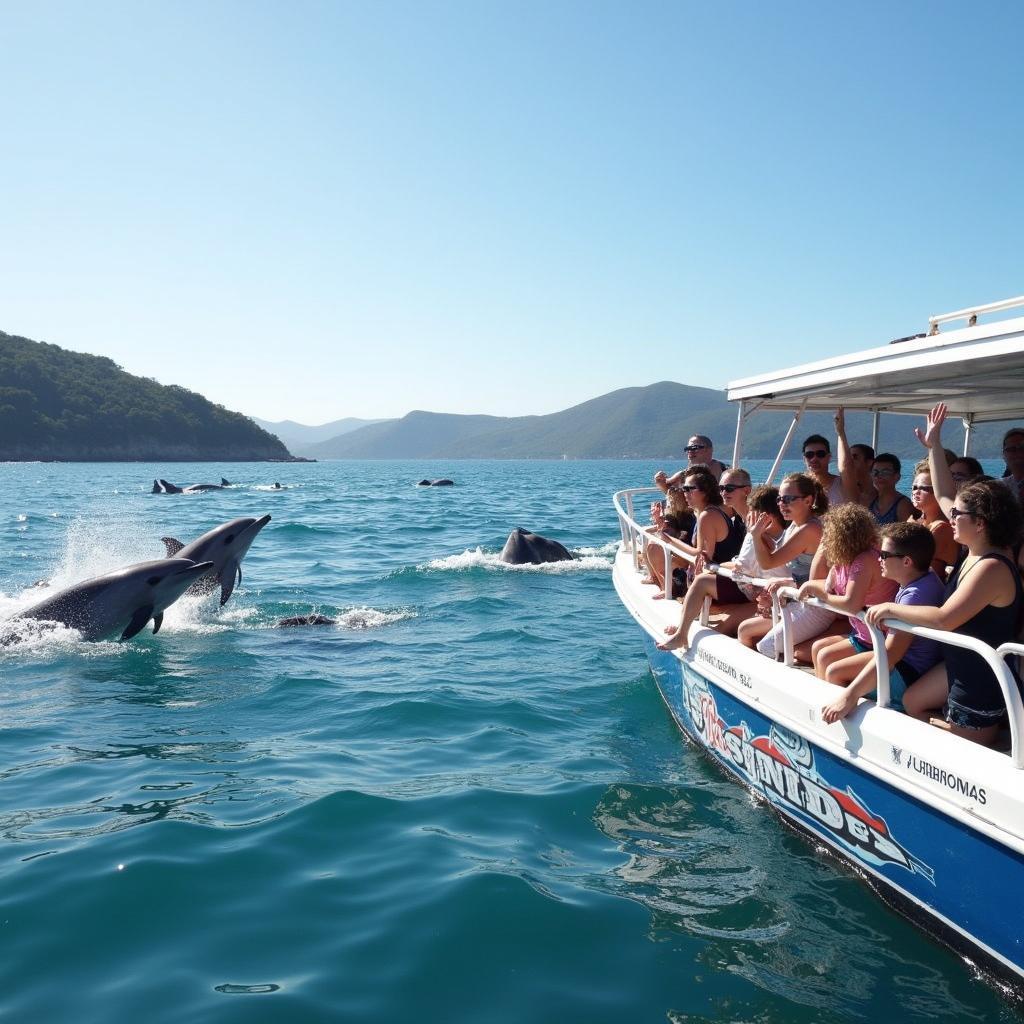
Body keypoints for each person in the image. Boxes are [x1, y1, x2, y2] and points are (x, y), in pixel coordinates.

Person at [865, 402, 1024, 746]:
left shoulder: (993, 567)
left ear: (980, 523)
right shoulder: (974, 551)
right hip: (957, 662)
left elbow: (943, 619)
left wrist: (890, 609)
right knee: (910, 702)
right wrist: (934, 445)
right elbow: (944, 492)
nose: (950, 515)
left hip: (980, 678)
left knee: (967, 741)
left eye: (958, 514)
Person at [821, 522, 945, 723]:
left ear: (906, 562)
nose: (879, 559)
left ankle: (847, 729)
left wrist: (849, 696)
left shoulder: (915, 595)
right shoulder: (925, 576)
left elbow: (890, 655)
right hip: (913, 664)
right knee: (829, 661)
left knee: (835, 673)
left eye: (885, 555)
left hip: (910, 672)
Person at [658, 483, 787, 652]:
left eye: (752, 512)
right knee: (702, 582)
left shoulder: (761, 535)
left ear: (762, 515)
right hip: (757, 592)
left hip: (769, 597)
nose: (749, 516)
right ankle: (683, 631)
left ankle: (683, 631)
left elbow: (741, 567)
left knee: (709, 592)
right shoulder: (782, 534)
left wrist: (716, 566)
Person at [737, 473, 833, 657]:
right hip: (799, 600)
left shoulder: (809, 529)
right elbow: (780, 557)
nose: (782, 504)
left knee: (766, 646)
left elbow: (768, 562)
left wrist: (755, 536)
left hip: (816, 607)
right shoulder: (795, 526)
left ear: (808, 500)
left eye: (789, 499)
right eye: (780, 499)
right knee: (746, 631)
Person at [801, 504, 899, 685]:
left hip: (878, 637)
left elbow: (851, 604)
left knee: (828, 663)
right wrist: (813, 585)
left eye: (829, 535)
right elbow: (829, 585)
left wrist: (820, 593)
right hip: (864, 633)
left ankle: (837, 707)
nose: (825, 539)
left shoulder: (866, 559)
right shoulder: (848, 558)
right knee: (818, 649)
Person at [909, 461, 959, 577]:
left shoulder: (942, 528)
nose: (916, 491)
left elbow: (921, 569)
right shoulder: (917, 522)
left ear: (938, 492)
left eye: (924, 488)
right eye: (914, 487)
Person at [641, 486, 695, 592]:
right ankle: (660, 581)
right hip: (679, 551)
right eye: (670, 501)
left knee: (653, 547)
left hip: (684, 555)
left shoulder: (689, 518)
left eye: (674, 500)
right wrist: (658, 520)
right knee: (651, 546)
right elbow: (661, 530)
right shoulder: (671, 517)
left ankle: (666, 586)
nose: (671, 503)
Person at [834, 407, 875, 505]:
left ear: (870, 462)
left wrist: (841, 433)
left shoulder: (879, 494)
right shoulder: (841, 488)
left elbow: (846, 467)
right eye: (848, 456)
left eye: (855, 457)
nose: (849, 460)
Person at [801, 434, 846, 508]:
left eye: (820, 454)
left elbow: (846, 466)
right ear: (804, 459)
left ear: (829, 457)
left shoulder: (842, 485)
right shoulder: (798, 487)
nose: (814, 459)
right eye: (809, 455)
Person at [867, 453, 913, 525]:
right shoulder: (871, 502)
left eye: (885, 472)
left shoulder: (903, 505)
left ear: (897, 477)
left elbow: (907, 533)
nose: (879, 476)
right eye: (875, 472)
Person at [1003, 428, 1024, 504]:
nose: (1018, 453)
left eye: (1022, 448)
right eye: (1011, 449)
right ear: (1004, 455)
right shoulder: (999, 487)